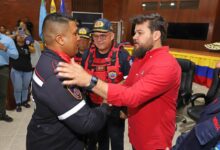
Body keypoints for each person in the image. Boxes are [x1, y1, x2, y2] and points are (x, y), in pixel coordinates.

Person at [56, 13, 181, 150]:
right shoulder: (141, 58)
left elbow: (132, 95)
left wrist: (89, 81)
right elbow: (126, 85)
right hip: (136, 134)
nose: (134, 37)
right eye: (134, 33)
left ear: (156, 35)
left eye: (139, 33)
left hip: (154, 142)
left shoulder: (166, 65)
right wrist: (109, 100)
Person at [26, 13, 109, 150]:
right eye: (75, 34)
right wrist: (107, 104)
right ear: (60, 39)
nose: (79, 38)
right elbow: (86, 122)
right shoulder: (57, 73)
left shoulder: (51, 59)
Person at [81, 18, 131, 150]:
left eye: (103, 35)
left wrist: (125, 109)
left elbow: (130, 82)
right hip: (93, 107)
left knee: (116, 142)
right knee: (99, 140)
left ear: (112, 35)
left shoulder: (122, 55)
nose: (99, 39)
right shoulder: (87, 55)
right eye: (95, 36)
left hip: (115, 109)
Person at [10, 34, 32, 112]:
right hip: (16, 70)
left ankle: (24, 101)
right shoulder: (12, 46)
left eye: (22, 35)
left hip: (28, 70)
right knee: (18, 88)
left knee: (25, 87)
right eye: (19, 36)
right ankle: (18, 103)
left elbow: (31, 40)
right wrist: (15, 34)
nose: (21, 36)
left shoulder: (27, 45)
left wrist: (26, 36)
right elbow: (6, 39)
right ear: (16, 38)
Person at [0, 32, 18, 122]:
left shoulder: (8, 40)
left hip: (3, 69)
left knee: (3, 93)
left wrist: (4, 48)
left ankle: (2, 114)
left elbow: (15, 55)